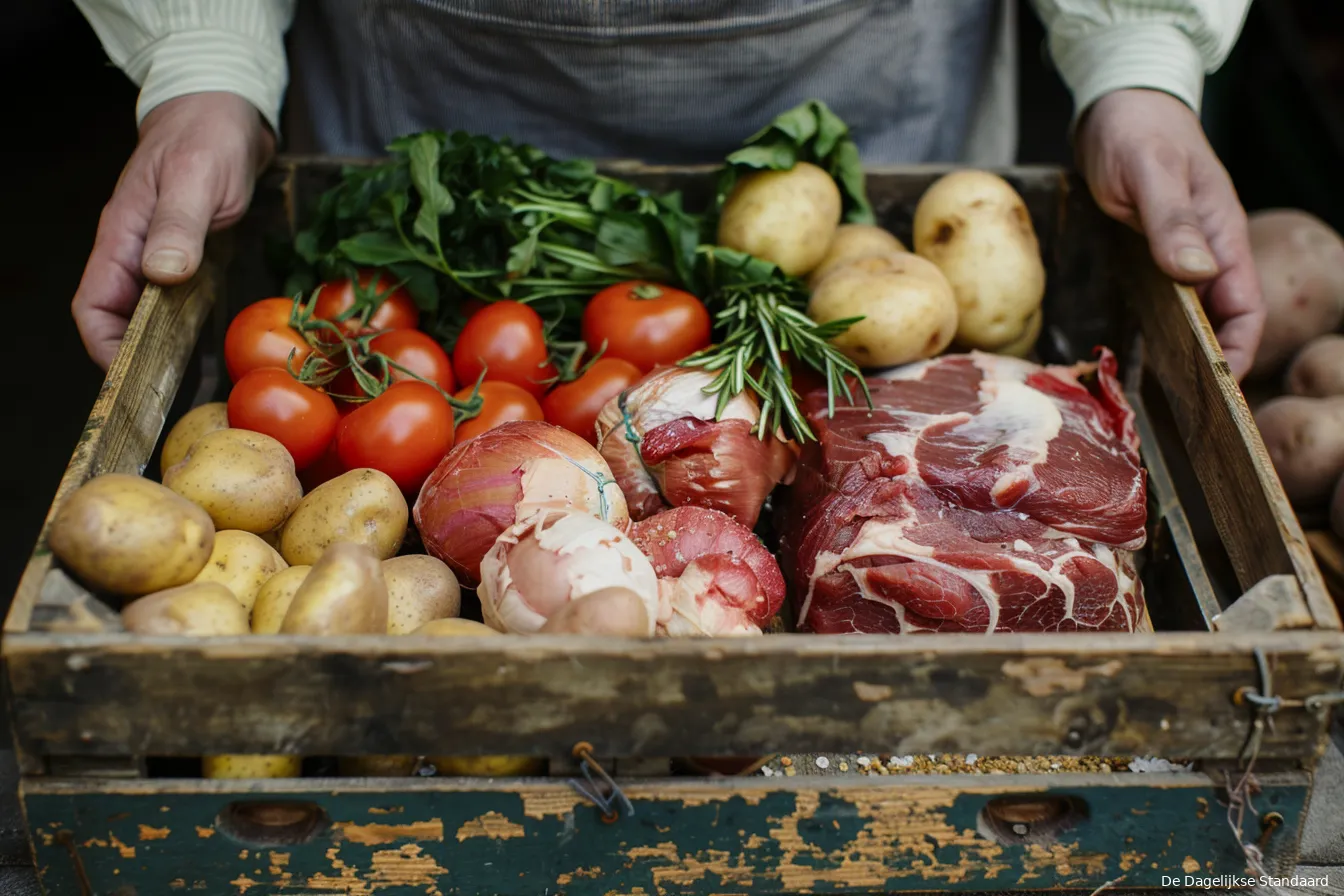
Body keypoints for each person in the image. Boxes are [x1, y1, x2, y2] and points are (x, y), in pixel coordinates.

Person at [70, 0, 1262, 378]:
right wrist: (205, 53)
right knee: (391, 281)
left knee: (900, 368)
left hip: (870, 70)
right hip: (431, 71)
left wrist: (1138, 55)